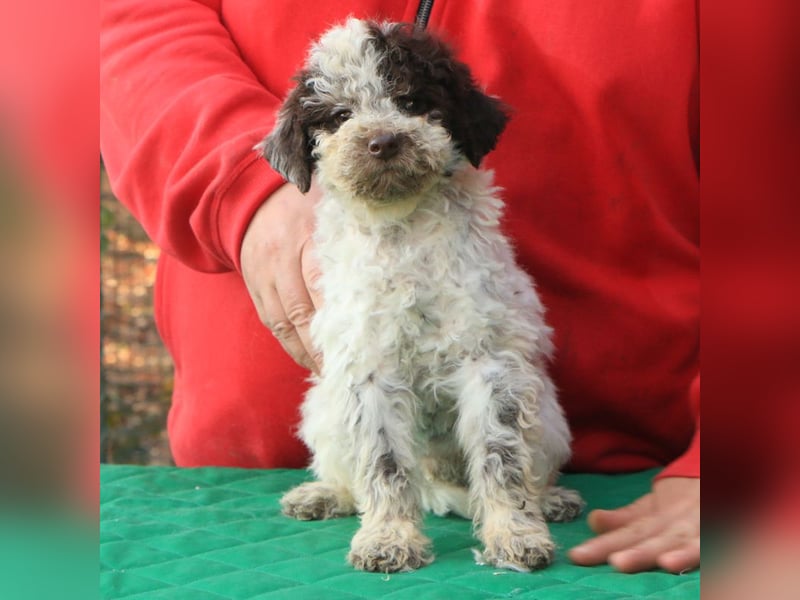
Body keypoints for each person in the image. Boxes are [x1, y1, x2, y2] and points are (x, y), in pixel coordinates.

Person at [100, 0, 699, 574]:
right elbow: (123, 21)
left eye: (412, 106)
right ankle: (365, 501)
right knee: (354, 383)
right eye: (339, 119)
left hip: (634, 470)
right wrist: (239, 188)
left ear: (460, 123)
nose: (381, 135)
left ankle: (509, 510)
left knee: (499, 372)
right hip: (244, 469)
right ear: (303, 148)